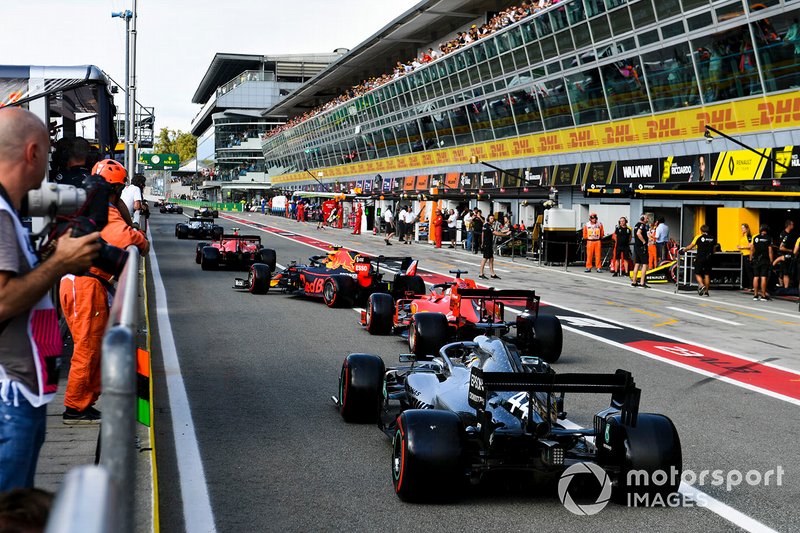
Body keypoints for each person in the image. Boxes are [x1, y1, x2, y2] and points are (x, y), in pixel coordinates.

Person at [0, 107, 101, 491]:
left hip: (22, 389)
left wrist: (50, 257)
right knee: (11, 514)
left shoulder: (9, 210)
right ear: (32, 153)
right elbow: (3, 302)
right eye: (47, 153)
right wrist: (61, 262)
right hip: (9, 394)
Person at [60, 159, 150, 425]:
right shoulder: (105, 210)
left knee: (94, 347)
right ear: (117, 189)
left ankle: (84, 402)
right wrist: (141, 239)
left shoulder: (88, 204)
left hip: (85, 283)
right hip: (85, 285)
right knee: (87, 348)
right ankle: (75, 406)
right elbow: (126, 238)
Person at [681, 224, 716, 296]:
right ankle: (706, 291)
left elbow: (691, 246)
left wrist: (684, 250)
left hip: (700, 257)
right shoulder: (712, 238)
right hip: (709, 258)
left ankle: (701, 285)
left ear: (701, 230)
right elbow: (714, 250)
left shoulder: (698, 237)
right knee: (707, 274)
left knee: (697, 273)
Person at [479, 214, 510, 280]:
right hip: (487, 244)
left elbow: (482, 234)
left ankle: (492, 274)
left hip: (488, 244)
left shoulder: (485, 225)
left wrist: (482, 242)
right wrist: (505, 234)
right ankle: (481, 274)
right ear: (488, 219)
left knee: (491, 259)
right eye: (491, 218)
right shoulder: (488, 226)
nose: (492, 220)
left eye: (493, 218)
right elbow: (496, 233)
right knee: (485, 259)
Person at [750, 224, 773, 301]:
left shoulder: (756, 238)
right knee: (763, 276)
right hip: (765, 259)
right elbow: (770, 251)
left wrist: (750, 258)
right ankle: (763, 295)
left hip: (756, 259)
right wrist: (771, 261)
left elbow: (752, 249)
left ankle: (755, 295)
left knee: (756, 276)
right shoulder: (768, 238)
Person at [631, 214, 650, 288]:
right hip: (642, 247)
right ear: (643, 218)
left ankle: (634, 281)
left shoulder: (636, 225)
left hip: (636, 246)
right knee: (645, 264)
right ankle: (642, 282)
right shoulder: (642, 225)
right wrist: (644, 242)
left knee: (637, 263)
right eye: (647, 218)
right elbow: (638, 233)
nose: (648, 220)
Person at [778, 220, 795, 289]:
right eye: (792, 224)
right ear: (789, 225)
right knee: (786, 272)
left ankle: (782, 286)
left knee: (782, 271)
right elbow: (781, 247)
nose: (793, 226)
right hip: (785, 256)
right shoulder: (786, 235)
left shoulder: (783, 233)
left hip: (783, 256)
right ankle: (786, 288)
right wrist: (791, 250)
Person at [737, 223, 753, 292]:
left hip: (747, 255)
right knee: (746, 271)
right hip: (743, 255)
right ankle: (747, 285)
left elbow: (751, 246)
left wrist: (742, 247)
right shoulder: (743, 236)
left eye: (743, 228)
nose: (742, 229)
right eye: (741, 228)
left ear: (746, 229)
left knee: (749, 271)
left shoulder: (749, 236)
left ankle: (752, 286)